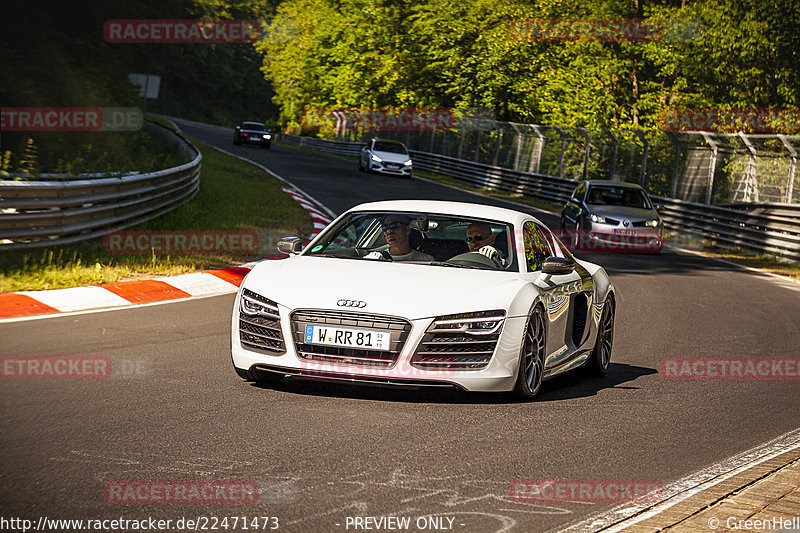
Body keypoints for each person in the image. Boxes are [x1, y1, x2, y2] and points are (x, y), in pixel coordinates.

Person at [365, 215, 435, 261]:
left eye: (393, 225)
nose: (389, 231)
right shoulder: (374, 258)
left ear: (408, 229)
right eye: (385, 227)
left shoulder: (426, 260)